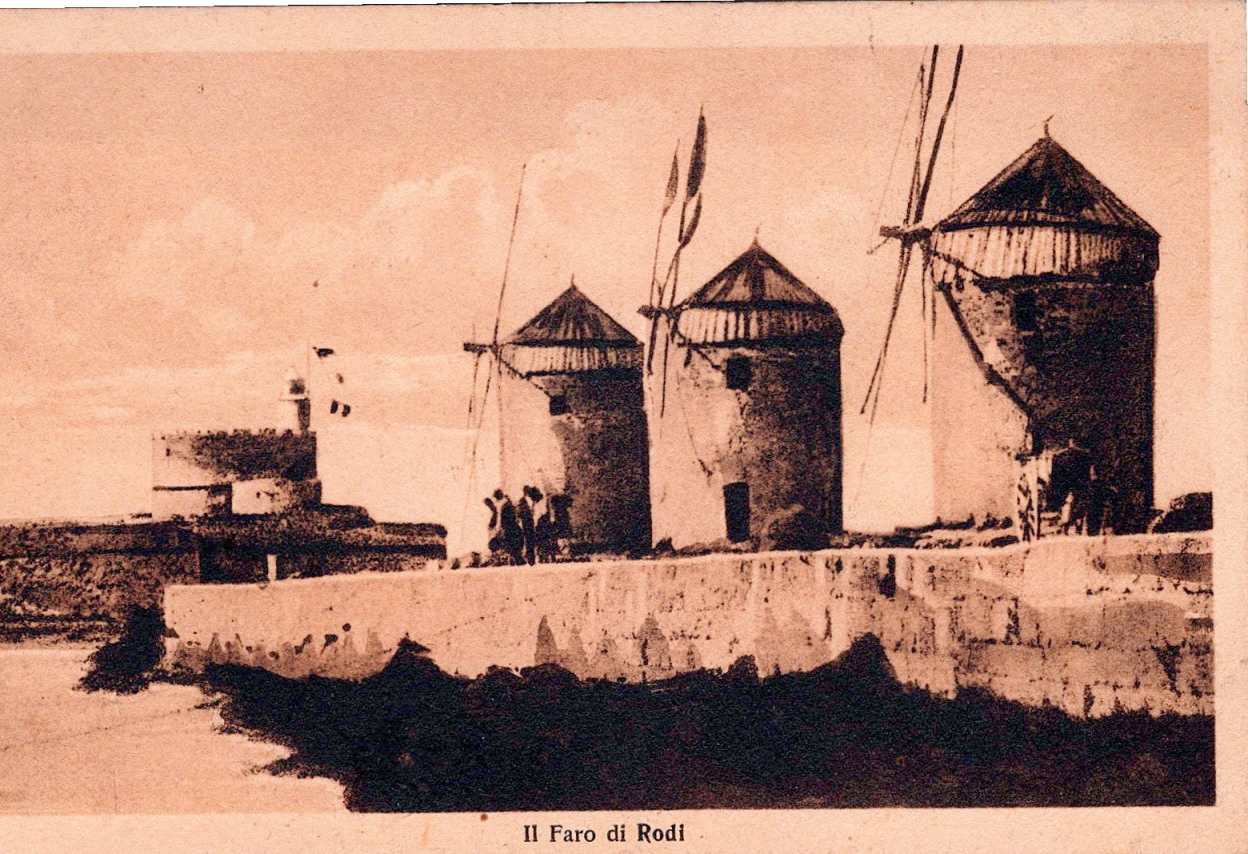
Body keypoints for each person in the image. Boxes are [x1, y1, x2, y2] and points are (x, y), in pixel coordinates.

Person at [499, 490, 524, 566]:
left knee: (513, 543)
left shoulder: (506, 506)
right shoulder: (509, 506)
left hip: (510, 527)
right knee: (515, 542)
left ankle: (516, 558)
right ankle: (517, 558)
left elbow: (503, 519)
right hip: (512, 526)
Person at [518, 485, 539, 566]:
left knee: (531, 539)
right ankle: (530, 559)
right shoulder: (522, 500)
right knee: (528, 539)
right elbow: (519, 512)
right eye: (527, 490)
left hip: (531, 521)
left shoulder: (532, 500)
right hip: (526, 522)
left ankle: (532, 558)